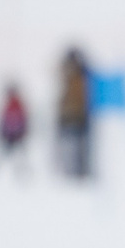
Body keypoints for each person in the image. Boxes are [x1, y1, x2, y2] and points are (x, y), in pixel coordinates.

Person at [55, 47, 93, 180]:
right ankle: (72, 174)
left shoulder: (82, 77)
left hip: (78, 118)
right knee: (70, 149)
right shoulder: (68, 77)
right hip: (69, 118)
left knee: (79, 149)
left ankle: (80, 173)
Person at [0, 81, 30, 177]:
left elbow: (22, 120)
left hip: (14, 135)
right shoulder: (11, 104)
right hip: (9, 134)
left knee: (19, 156)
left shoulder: (17, 104)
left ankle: (22, 173)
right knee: (1, 154)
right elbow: (4, 120)